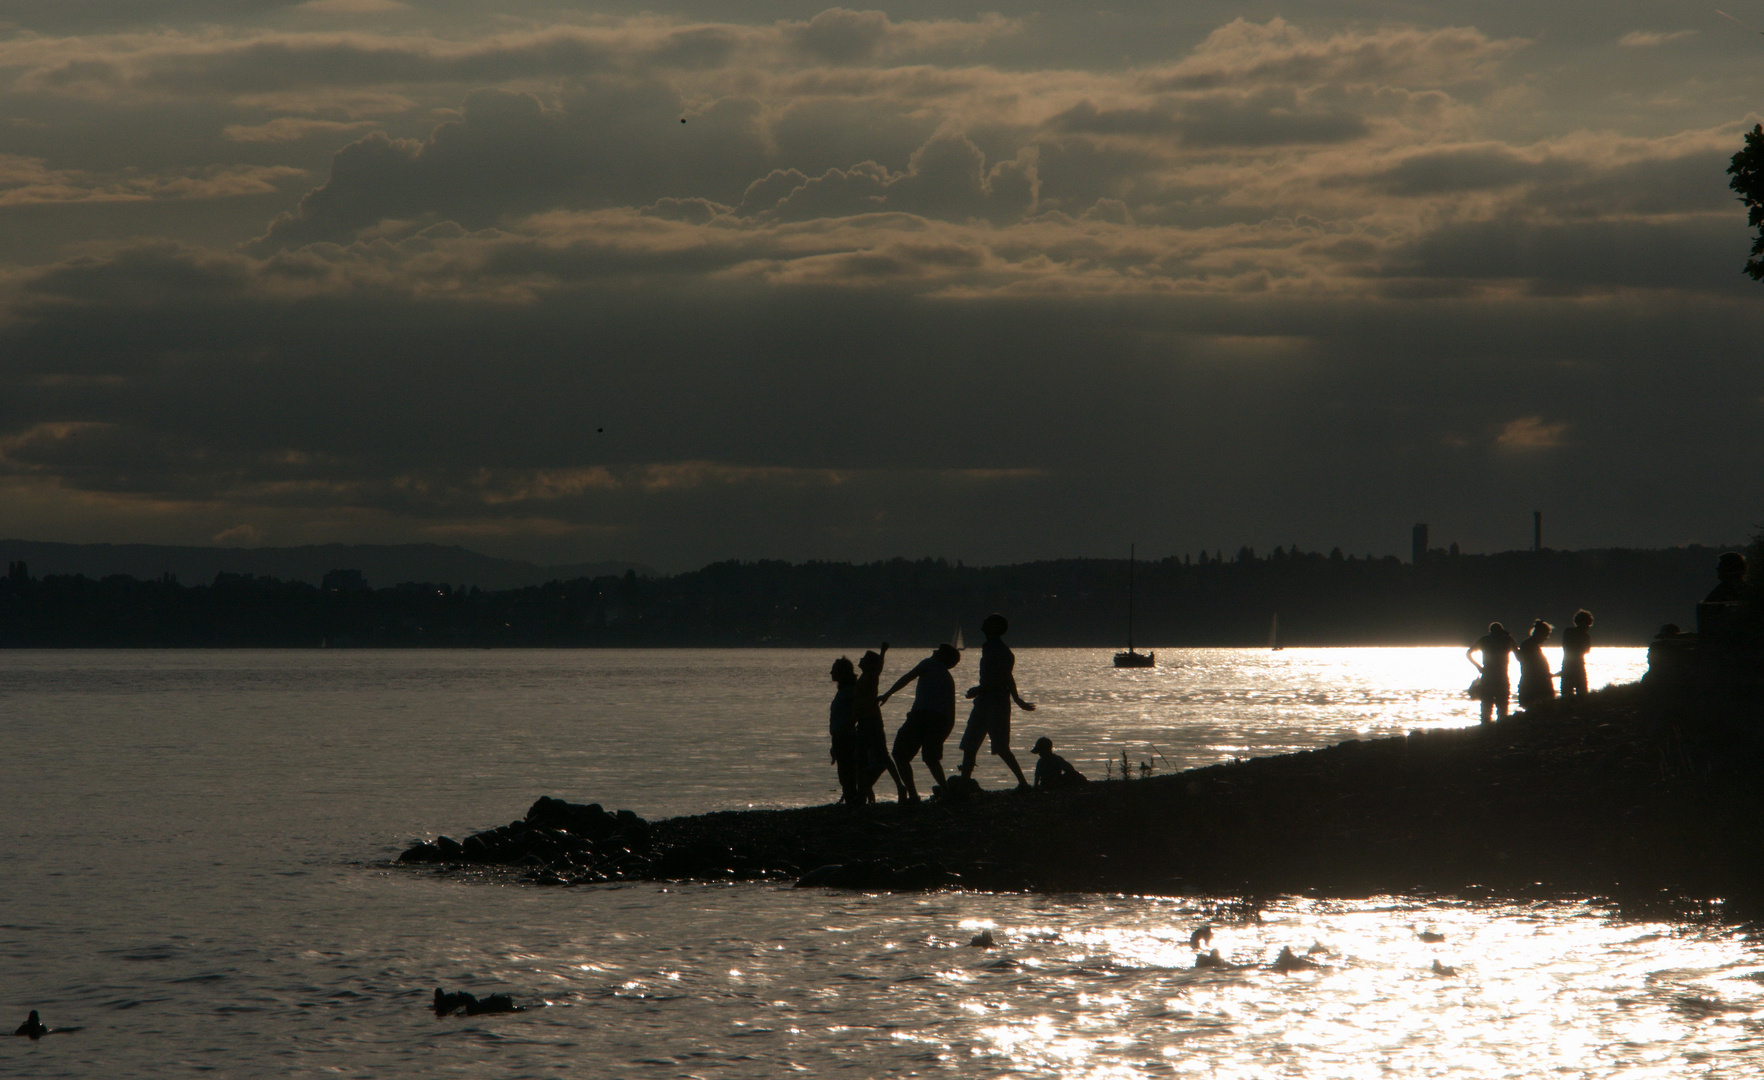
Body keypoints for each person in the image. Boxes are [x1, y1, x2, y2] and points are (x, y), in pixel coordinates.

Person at [957, 613, 1036, 790]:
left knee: (999, 747)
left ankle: (1023, 783)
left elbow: (1003, 678)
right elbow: (1007, 677)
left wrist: (979, 689)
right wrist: (1016, 699)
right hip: (985, 701)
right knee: (971, 744)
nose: (983, 623)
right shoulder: (991, 648)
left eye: (987, 622)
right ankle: (964, 784)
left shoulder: (999, 650)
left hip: (996, 703)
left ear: (994, 628)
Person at [879, 642, 961, 802]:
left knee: (900, 755)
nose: (933, 650)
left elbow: (907, 678)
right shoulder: (948, 678)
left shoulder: (928, 663)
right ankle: (945, 791)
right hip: (940, 720)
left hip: (920, 716)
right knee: (931, 758)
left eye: (937, 650)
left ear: (940, 656)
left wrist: (888, 693)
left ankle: (913, 794)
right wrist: (949, 727)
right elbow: (951, 706)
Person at [852, 644, 908, 802]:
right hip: (863, 721)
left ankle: (900, 786)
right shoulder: (863, 678)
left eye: (864, 658)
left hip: (872, 721)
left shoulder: (870, 676)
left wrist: (883, 653)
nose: (861, 660)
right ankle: (866, 791)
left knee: (882, 755)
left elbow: (878, 669)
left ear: (869, 663)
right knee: (861, 757)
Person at [1467, 622, 1517, 723]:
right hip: (1502, 678)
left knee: (1486, 708)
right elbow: (1519, 657)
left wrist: (1479, 667)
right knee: (1502, 709)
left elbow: (1468, 653)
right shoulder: (1506, 639)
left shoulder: (1484, 640)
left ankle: (1485, 730)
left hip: (1487, 678)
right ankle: (1501, 729)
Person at [827, 657, 860, 804]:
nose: (831, 672)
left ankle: (852, 801)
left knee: (846, 772)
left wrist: (844, 732)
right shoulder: (845, 691)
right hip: (840, 735)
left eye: (834, 670)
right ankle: (850, 798)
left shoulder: (849, 692)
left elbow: (854, 714)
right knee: (845, 772)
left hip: (845, 736)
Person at [1517, 619, 1556, 708]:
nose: (1547, 638)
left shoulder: (1528, 645)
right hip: (1534, 684)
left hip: (1530, 683)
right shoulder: (1530, 646)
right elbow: (1534, 667)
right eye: (1546, 635)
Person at [1559, 609, 1593, 698]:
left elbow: (1565, 646)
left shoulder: (1568, 632)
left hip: (1567, 666)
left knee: (1566, 695)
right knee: (1582, 694)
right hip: (1578, 667)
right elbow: (1586, 651)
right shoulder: (1585, 636)